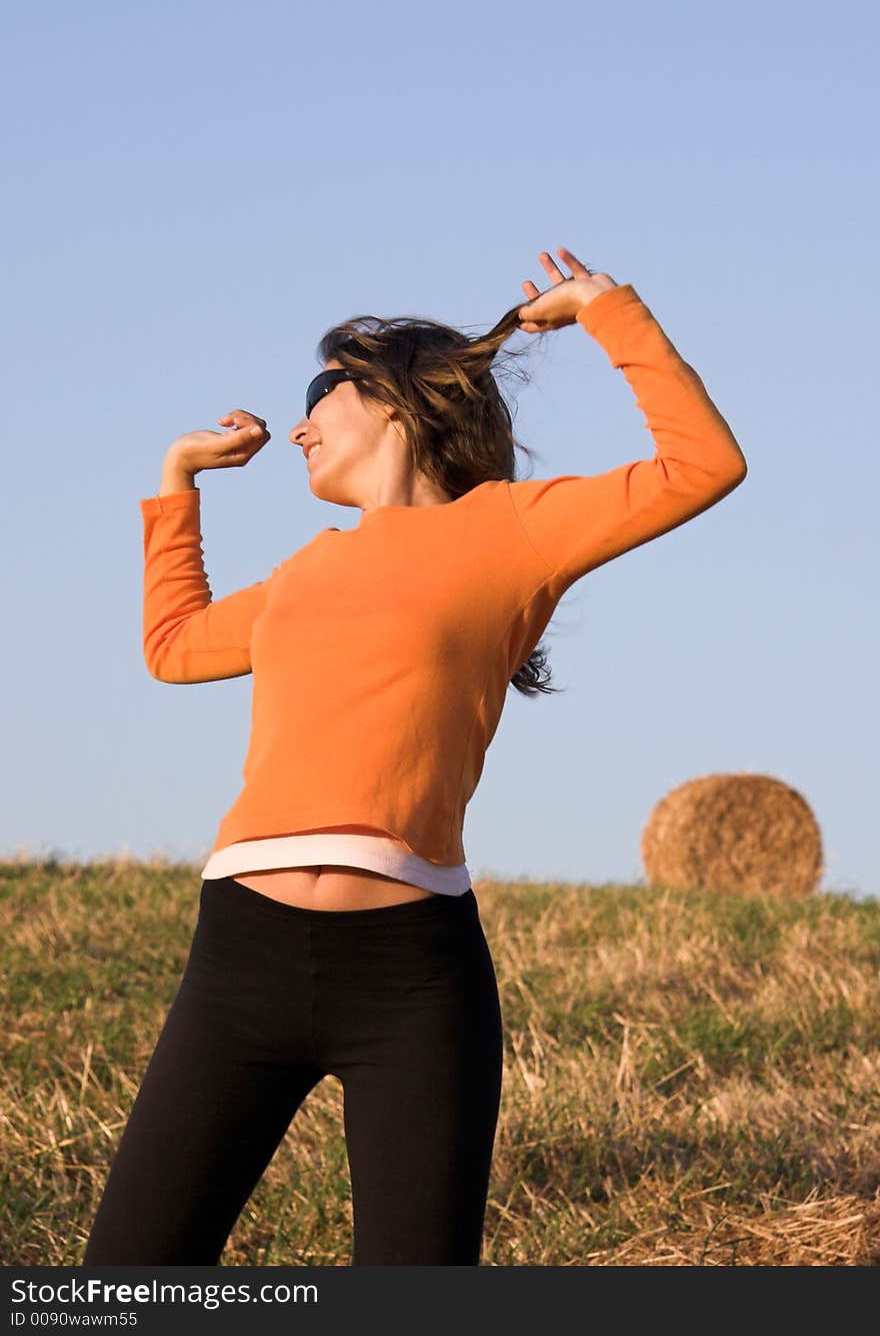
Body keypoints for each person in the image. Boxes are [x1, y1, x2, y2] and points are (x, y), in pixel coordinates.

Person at [81, 247, 747, 1266]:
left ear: (396, 399)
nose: (299, 422)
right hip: (239, 960)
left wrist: (606, 310)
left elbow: (703, 463)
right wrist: (177, 480)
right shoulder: (305, 573)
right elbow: (173, 646)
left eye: (322, 391)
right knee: (124, 1281)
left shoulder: (512, 533)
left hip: (412, 978)